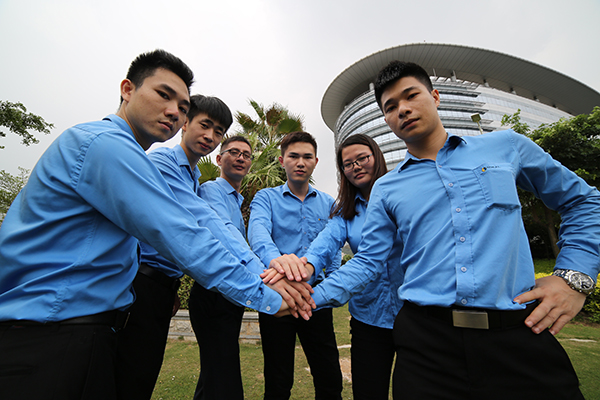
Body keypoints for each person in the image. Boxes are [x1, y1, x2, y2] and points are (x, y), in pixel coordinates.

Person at [0, 50, 313, 400]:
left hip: (84, 325)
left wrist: (260, 273)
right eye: (164, 95)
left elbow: (205, 224)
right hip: (52, 332)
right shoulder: (108, 147)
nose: (173, 112)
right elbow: (180, 233)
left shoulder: (171, 169)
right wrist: (264, 292)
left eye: (182, 107)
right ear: (127, 89)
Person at [310, 61, 600, 399]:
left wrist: (574, 276)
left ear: (435, 96)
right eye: (390, 107)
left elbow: (584, 201)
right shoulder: (386, 189)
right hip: (427, 347)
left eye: (411, 96)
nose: (402, 109)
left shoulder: (506, 147)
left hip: (518, 333)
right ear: (386, 120)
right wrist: (308, 299)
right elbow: (367, 262)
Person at [115, 96, 282, 400]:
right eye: (204, 125)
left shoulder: (192, 177)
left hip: (163, 286)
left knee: (150, 374)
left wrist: (171, 288)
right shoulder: (164, 163)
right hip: (142, 283)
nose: (210, 136)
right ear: (184, 123)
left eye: (218, 132)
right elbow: (209, 224)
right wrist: (263, 275)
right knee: (132, 377)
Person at [304, 134, 403, 399]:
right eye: (348, 164)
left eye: (362, 158)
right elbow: (325, 243)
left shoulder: (402, 194)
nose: (356, 166)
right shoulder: (346, 210)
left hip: (413, 314)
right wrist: (306, 268)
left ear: (377, 157)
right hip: (368, 316)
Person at [249, 131, 344, 400]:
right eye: (293, 156)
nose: (300, 162)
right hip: (277, 297)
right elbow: (258, 234)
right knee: (278, 380)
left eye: (307, 157)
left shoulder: (329, 203)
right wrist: (279, 263)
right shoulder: (265, 198)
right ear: (282, 161)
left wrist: (331, 283)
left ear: (316, 162)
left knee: (329, 376)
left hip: (316, 299)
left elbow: (333, 247)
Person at [188, 134, 255, 400]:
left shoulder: (237, 202)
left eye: (246, 155)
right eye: (234, 152)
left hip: (229, 295)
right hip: (212, 295)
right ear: (218, 158)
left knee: (214, 372)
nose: (240, 158)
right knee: (224, 374)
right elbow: (224, 233)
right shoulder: (211, 191)